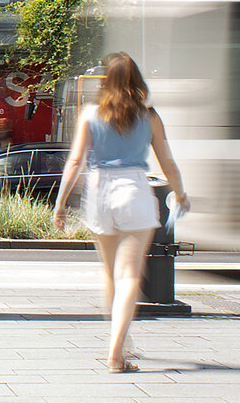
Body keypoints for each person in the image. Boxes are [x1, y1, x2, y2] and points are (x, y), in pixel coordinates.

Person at [53, 52, 190, 374]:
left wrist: (60, 204)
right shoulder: (149, 116)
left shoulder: (90, 113)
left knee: (110, 274)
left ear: (105, 80)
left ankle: (123, 341)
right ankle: (116, 354)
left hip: (98, 191)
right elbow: (167, 162)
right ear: (137, 79)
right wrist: (180, 193)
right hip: (134, 190)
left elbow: (75, 161)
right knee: (129, 275)